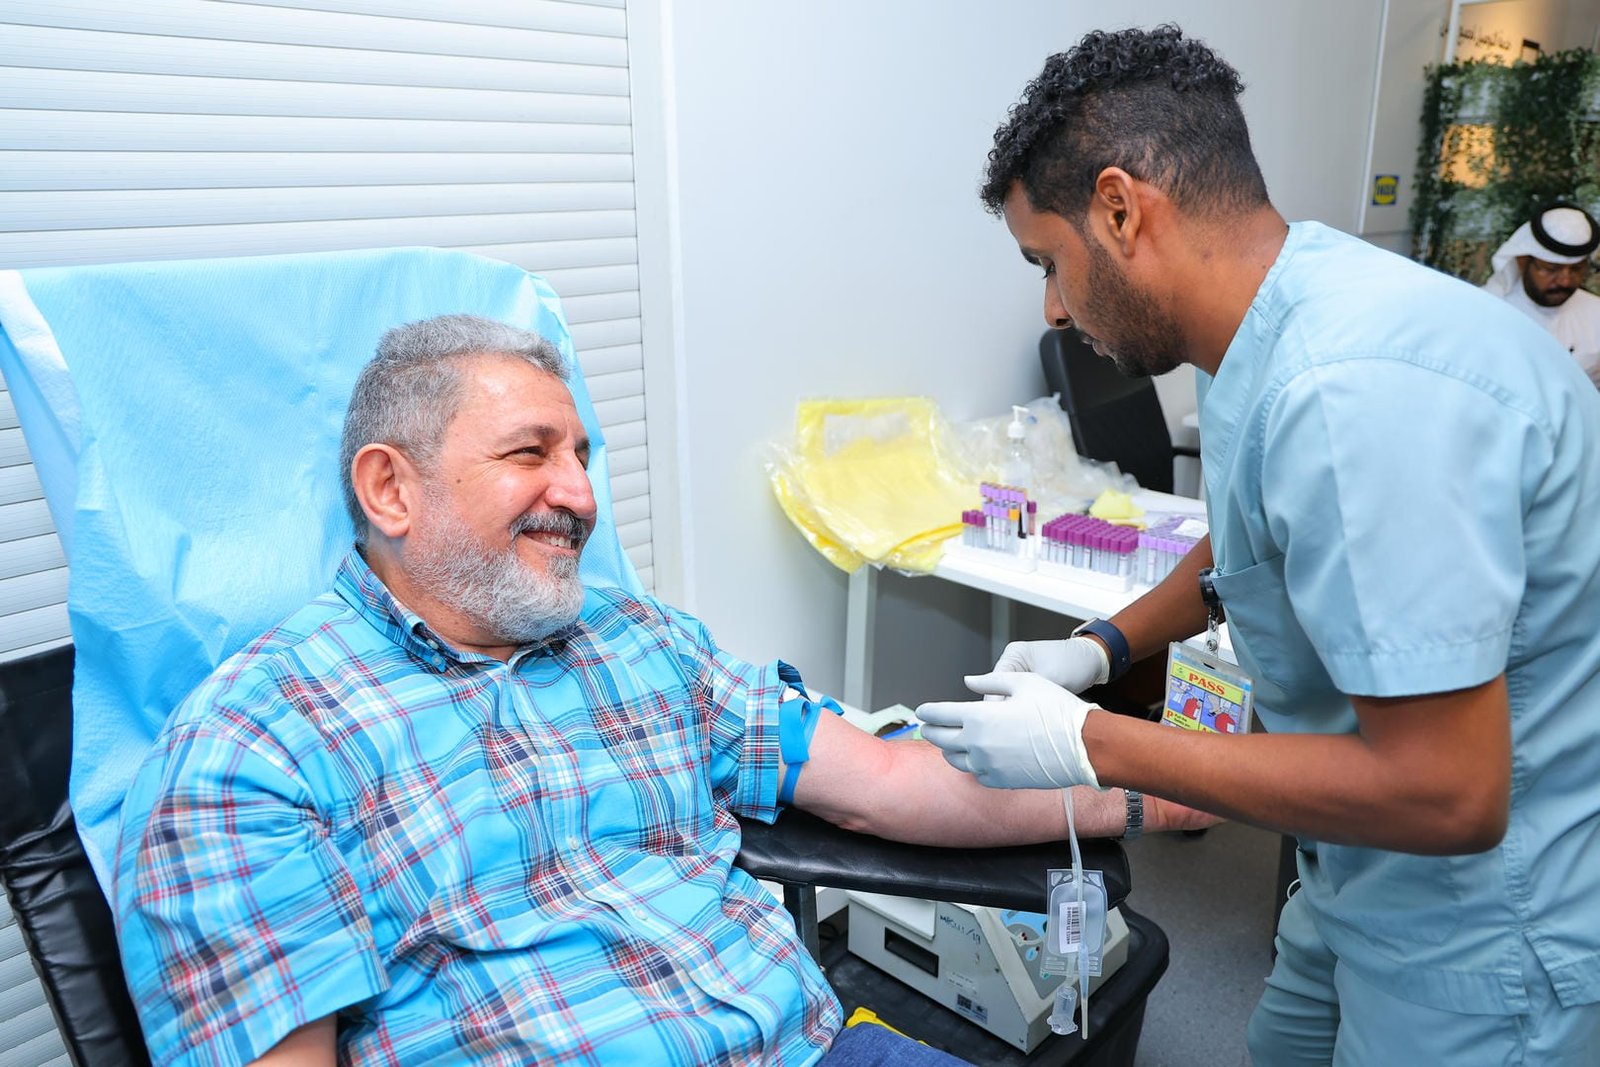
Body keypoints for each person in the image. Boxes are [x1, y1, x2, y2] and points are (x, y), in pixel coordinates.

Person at [111, 314, 1208, 1067]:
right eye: (530, 453)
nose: (580, 495)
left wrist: (1146, 790)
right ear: (390, 488)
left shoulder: (638, 641)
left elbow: (883, 780)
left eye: (582, 454)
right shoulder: (251, 747)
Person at [916, 25, 1600, 1064]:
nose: (1052, 306)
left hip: (1482, 921)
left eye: (1048, 261)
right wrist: (1100, 646)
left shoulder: (1353, 393)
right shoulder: (1261, 322)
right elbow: (1246, 542)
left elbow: (1448, 793)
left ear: (1120, 209)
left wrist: (1089, 741)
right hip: (1352, 869)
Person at [1482, 202, 1600, 387]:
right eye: (1552, 269)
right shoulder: (1487, 311)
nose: (1565, 281)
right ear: (1522, 262)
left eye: (1576, 269)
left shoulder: (1596, 312)